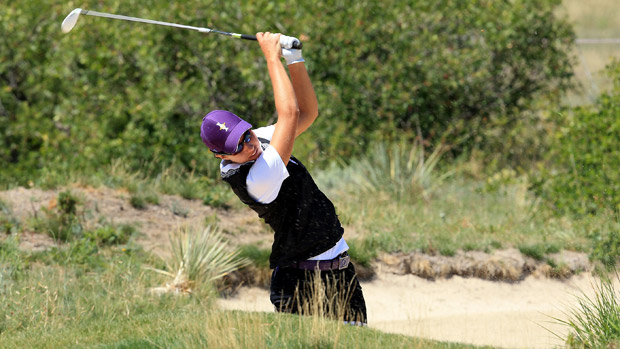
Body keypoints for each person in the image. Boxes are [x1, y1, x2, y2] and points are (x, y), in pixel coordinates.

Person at [199, 32, 366, 324]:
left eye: (245, 135)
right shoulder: (256, 179)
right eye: (236, 147)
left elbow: (306, 114)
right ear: (221, 157)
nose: (248, 146)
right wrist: (271, 56)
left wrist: (294, 58)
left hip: (339, 272)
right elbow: (287, 114)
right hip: (301, 283)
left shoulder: (260, 140)